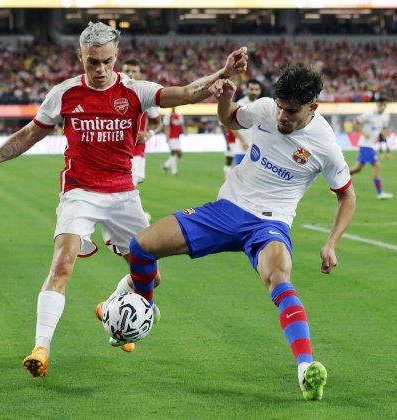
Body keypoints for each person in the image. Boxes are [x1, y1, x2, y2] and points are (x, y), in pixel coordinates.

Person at [0, 21, 249, 380]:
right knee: (62, 263)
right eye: (92, 62)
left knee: (152, 277)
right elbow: (27, 136)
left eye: (107, 62)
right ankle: (41, 347)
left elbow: (188, 93)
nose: (100, 70)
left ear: (117, 57)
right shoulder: (64, 94)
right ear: (80, 56)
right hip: (79, 192)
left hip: (124, 195)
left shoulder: (137, 91)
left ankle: (110, 306)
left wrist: (223, 72)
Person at [120, 64, 356, 400]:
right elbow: (229, 119)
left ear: (312, 108)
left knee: (278, 277)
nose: (281, 117)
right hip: (225, 210)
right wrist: (225, 99)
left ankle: (306, 367)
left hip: (269, 224)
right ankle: (144, 309)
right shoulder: (265, 110)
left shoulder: (326, 147)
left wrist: (332, 243)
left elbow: (346, 195)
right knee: (141, 245)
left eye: (291, 111)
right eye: (280, 107)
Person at [121, 59, 162, 190]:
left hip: (136, 149)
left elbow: (158, 123)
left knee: (129, 189)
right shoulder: (110, 93)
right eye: (127, 71)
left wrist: (149, 133)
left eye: (134, 71)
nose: (130, 74)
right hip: (115, 148)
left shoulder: (146, 95)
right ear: (122, 72)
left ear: (139, 75)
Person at [349, 97, 393, 199]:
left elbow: (384, 127)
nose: (382, 107)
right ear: (377, 104)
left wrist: (383, 133)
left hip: (370, 145)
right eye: (380, 105)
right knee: (377, 166)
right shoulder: (369, 114)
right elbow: (355, 122)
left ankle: (338, 180)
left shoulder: (386, 116)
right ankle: (380, 193)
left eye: (384, 105)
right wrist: (363, 133)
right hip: (365, 145)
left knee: (357, 169)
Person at [228, 79, 264, 165]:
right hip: (242, 149)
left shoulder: (262, 105)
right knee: (241, 177)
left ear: (260, 91)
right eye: (251, 89)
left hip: (258, 150)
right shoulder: (240, 105)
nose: (254, 92)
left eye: (256, 89)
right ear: (247, 90)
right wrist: (243, 141)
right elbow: (231, 126)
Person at [161, 107, 185, 176]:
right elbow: (166, 127)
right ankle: (174, 172)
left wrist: (185, 131)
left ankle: (165, 166)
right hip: (171, 138)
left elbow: (181, 125)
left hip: (177, 138)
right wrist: (167, 137)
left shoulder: (179, 116)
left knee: (178, 154)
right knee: (175, 153)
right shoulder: (168, 116)